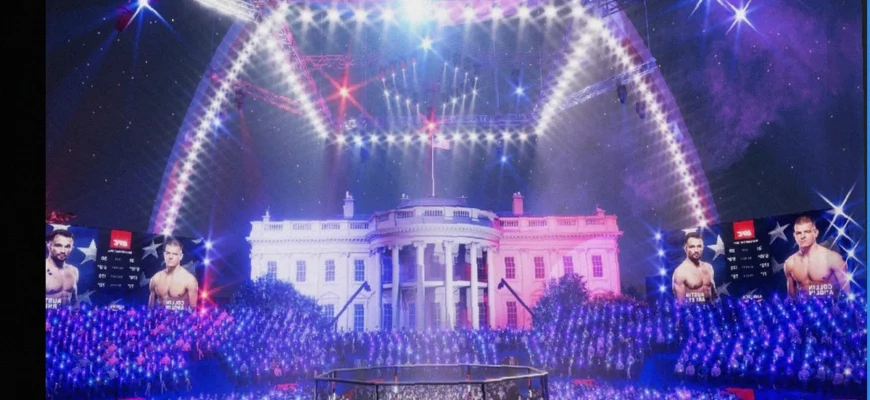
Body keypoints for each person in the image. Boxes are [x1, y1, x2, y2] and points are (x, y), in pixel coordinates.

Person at [784, 216, 850, 298]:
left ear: (815, 233)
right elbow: (792, 298)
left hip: (830, 305)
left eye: (807, 232)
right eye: (799, 233)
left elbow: (847, 295)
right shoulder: (790, 263)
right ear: (794, 236)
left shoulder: (833, 259)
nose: (802, 236)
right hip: (804, 306)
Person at [148, 237, 198, 310]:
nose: (170, 257)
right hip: (159, 316)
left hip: (180, 317)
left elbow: (193, 311)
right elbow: (150, 308)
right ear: (164, 255)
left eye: (174, 254)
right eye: (168, 253)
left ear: (180, 256)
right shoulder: (156, 278)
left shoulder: (189, 280)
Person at [672, 232, 718, 304]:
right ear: (685, 248)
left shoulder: (709, 267)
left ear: (703, 247)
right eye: (692, 247)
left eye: (699, 246)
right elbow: (681, 304)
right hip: (693, 311)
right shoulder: (680, 272)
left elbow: (715, 295)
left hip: (711, 310)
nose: (696, 250)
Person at [46, 229, 79, 307]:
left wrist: (76, 312)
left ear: (72, 248)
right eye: (58, 245)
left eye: (67, 246)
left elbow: (74, 300)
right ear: (49, 245)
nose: (63, 251)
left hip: (67, 314)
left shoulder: (74, 271)